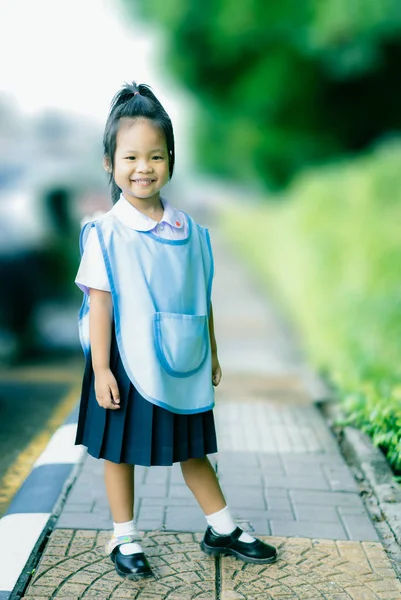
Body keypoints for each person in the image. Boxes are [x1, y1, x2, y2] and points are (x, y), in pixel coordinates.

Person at [74, 81, 277, 579]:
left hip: (181, 357)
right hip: (123, 358)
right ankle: (123, 538)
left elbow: (199, 296)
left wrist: (210, 350)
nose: (144, 168)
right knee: (118, 452)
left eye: (156, 156)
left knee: (192, 447)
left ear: (170, 159)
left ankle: (222, 526)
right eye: (131, 157)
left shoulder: (190, 231)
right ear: (110, 163)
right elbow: (100, 306)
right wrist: (101, 368)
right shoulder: (106, 233)